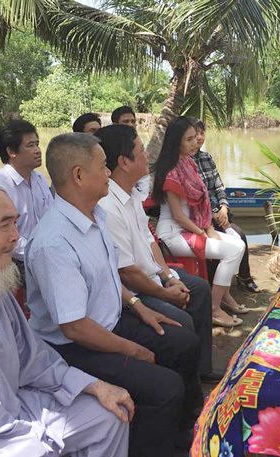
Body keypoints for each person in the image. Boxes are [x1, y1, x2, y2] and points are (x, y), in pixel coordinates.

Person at [0, 164, 132, 457]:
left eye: (15, 223)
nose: (16, 236)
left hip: (22, 415)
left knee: (108, 417)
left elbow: (36, 362)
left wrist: (93, 385)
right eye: (5, 225)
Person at [25, 132, 202, 456]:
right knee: (165, 388)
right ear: (79, 175)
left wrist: (139, 307)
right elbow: (74, 327)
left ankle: (180, 434)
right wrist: (131, 350)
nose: (109, 173)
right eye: (103, 166)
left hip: (109, 322)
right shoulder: (54, 242)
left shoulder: (95, 217)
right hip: (74, 347)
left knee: (183, 342)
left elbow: (106, 279)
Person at [96, 124, 222, 383]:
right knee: (181, 322)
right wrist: (164, 293)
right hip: (134, 291)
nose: (147, 156)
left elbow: (149, 241)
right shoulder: (108, 205)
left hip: (153, 278)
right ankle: (186, 392)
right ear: (124, 161)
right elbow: (127, 273)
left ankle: (200, 369)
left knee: (198, 289)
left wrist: (167, 275)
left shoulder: (129, 195)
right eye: (141, 151)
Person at [153, 117, 246, 328]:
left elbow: (199, 205)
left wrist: (209, 229)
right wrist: (202, 233)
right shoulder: (171, 173)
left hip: (191, 228)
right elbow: (178, 216)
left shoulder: (188, 164)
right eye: (189, 139)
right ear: (176, 142)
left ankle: (222, 297)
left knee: (238, 244)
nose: (196, 142)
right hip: (173, 234)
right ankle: (214, 308)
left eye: (196, 137)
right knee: (230, 252)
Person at [192, 119, 260, 292]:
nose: (199, 138)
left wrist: (224, 208)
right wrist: (214, 214)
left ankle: (244, 277)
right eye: (195, 134)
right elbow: (197, 196)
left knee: (241, 236)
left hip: (219, 213)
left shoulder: (207, 158)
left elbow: (219, 187)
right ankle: (216, 288)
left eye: (202, 133)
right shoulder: (184, 162)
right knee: (219, 244)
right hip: (201, 218)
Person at [0, 120, 53, 272]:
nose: (38, 150)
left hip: (46, 254)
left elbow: (52, 217)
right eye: (30, 146)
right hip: (14, 262)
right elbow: (3, 235)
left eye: (37, 144)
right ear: (11, 152)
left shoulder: (39, 179)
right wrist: (39, 253)